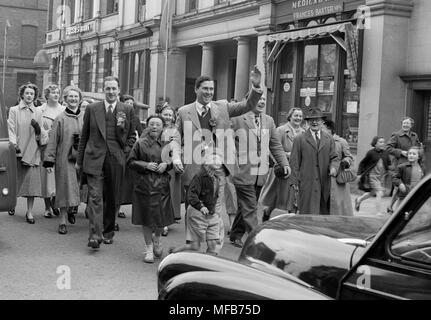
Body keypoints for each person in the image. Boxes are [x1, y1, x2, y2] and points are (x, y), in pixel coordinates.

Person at [173, 66, 263, 247]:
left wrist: (256, 86)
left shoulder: (222, 107)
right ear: (196, 89)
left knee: (215, 208)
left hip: (217, 169)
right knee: (193, 207)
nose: (208, 92)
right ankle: (194, 245)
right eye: (205, 88)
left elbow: (247, 105)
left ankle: (212, 248)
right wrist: (175, 156)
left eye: (211, 89)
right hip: (193, 168)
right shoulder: (184, 112)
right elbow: (176, 137)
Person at [77, 76, 137, 249]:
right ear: (103, 90)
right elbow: (84, 137)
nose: (110, 92)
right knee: (95, 198)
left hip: (116, 160)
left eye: (113, 88)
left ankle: (108, 231)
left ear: (119, 90)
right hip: (94, 159)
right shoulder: (92, 109)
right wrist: (79, 161)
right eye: (107, 88)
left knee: (111, 198)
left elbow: (132, 136)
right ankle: (95, 235)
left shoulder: (126, 109)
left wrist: (123, 153)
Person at [229, 95, 290, 248]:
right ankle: (256, 241)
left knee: (248, 204)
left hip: (260, 173)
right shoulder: (237, 118)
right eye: (259, 98)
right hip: (241, 170)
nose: (262, 101)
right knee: (250, 206)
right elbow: (225, 141)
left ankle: (235, 234)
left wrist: (284, 163)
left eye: (264, 99)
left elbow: (275, 144)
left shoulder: (268, 120)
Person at [128, 115, 175, 263]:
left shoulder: (169, 143)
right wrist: (145, 165)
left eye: (158, 124)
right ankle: (148, 248)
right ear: (147, 126)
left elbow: (176, 160)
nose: (154, 126)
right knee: (147, 219)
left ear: (163, 127)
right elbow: (130, 161)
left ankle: (157, 238)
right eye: (152, 124)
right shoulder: (140, 143)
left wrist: (167, 165)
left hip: (162, 185)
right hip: (145, 184)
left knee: (161, 219)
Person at [43, 86, 84, 235]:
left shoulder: (85, 117)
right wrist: (49, 160)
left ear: (80, 99)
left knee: (79, 187)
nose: (73, 99)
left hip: (83, 159)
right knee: (64, 188)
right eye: (70, 97)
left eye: (76, 96)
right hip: (64, 159)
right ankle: (62, 220)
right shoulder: (60, 118)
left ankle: (73, 209)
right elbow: (53, 140)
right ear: (65, 99)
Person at [7, 83, 48, 223]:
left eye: (32, 94)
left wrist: (38, 130)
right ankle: (12, 203)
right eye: (27, 93)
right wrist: (14, 144)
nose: (29, 95)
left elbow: (42, 134)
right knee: (15, 181)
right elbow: (10, 129)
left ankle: (29, 212)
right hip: (18, 150)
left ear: (35, 96)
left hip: (32, 151)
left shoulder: (38, 112)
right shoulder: (14, 110)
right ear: (22, 95)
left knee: (31, 184)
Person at [169, 152, 224, 255]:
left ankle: (207, 267)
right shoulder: (199, 177)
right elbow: (191, 195)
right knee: (194, 246)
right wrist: (201, 206)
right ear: (206, 164)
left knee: (213, 245)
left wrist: (216, 213)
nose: (214, 171)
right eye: (212, 168)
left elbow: (215, 197)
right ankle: (174, 254)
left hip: (211, 214)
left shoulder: (217, 178)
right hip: (197, 213)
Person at [259, 107, 305, 221]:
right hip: (282, 170)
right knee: (275, 197)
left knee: (294, 196)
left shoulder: (304, 133)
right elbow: (272, 148)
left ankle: (291, 221)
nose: (298, 118)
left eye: (300, 116)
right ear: (290, 116)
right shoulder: (281, 130)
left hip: (296, 171)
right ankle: (266, 214)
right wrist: (287, 155)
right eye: (296, 115)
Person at [290, 108, 338, 215]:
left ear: (322, 122)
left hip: (324, 183)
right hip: (307, 185)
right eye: (311, 120)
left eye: (317, 119)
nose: (314, 122)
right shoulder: (299, 139)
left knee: (323, 215)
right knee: (307, 215)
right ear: (307, 122)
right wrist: (295, 184)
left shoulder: (329, 138)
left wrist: (334, 167)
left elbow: (334, 157)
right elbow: (294, 162)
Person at [116, 94, 144, 220]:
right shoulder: (117, 116)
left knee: (126, 182)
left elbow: (141, 134)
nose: (130, 105)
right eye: (127, 103)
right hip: (116, 152)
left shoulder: (135, 119)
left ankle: (120, 206)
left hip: (130, 153)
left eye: (132, 104)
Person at [40, 84, 65, 219]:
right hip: (45, 146)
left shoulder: (64, 109)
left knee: (58, 176)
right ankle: (47, 207)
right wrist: (46, 134)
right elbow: (37, 129)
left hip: (60, 147)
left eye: (57, 92)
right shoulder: (40, 110)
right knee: (46, 177)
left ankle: (56, 201)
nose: (56, 94)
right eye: (53, 92)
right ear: (47, 95)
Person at [386, 117, 422, 213]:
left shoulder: (414, 135)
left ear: (411, 125)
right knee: (399, 186)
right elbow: (388, 147)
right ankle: (392, 207)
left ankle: (395, 207)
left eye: (407, 123)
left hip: (412, 163)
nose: (405, 125)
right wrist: (401, 152)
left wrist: (418, 151)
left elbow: (418, 146)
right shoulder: (396, 135)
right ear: (402, 124)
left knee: (405, 187)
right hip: (400, 164)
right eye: (404, 123)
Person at [322, 120, 354, 216]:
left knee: (337, 205)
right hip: (323, 177)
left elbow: (349, 157)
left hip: (337, 178)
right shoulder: (319, 141)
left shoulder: (341, 142)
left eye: (322, 128)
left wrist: (345, 162)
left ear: (329, 129)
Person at [160, 104, 182, 236]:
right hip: (157, 162)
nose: (167, 117)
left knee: (169, 191)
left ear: (173, 117)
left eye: (170, 115)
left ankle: (165, 221)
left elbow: (177, 146)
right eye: (165, 114)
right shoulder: (155, 125)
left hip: (171, 164)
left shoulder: (176, 130)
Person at [355, 136, 392, 215]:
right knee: (380, 192)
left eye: (383, 142)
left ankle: (359, 200)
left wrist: (390, 171)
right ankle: (378, 211)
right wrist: (359, 174)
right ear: (375, 144)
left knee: (372, 193)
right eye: (380, 142)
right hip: (372, 176)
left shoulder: (386, 153)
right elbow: (362, 163)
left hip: (381, 177)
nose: (383, 143)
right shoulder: (371, 153)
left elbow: (388, 163)